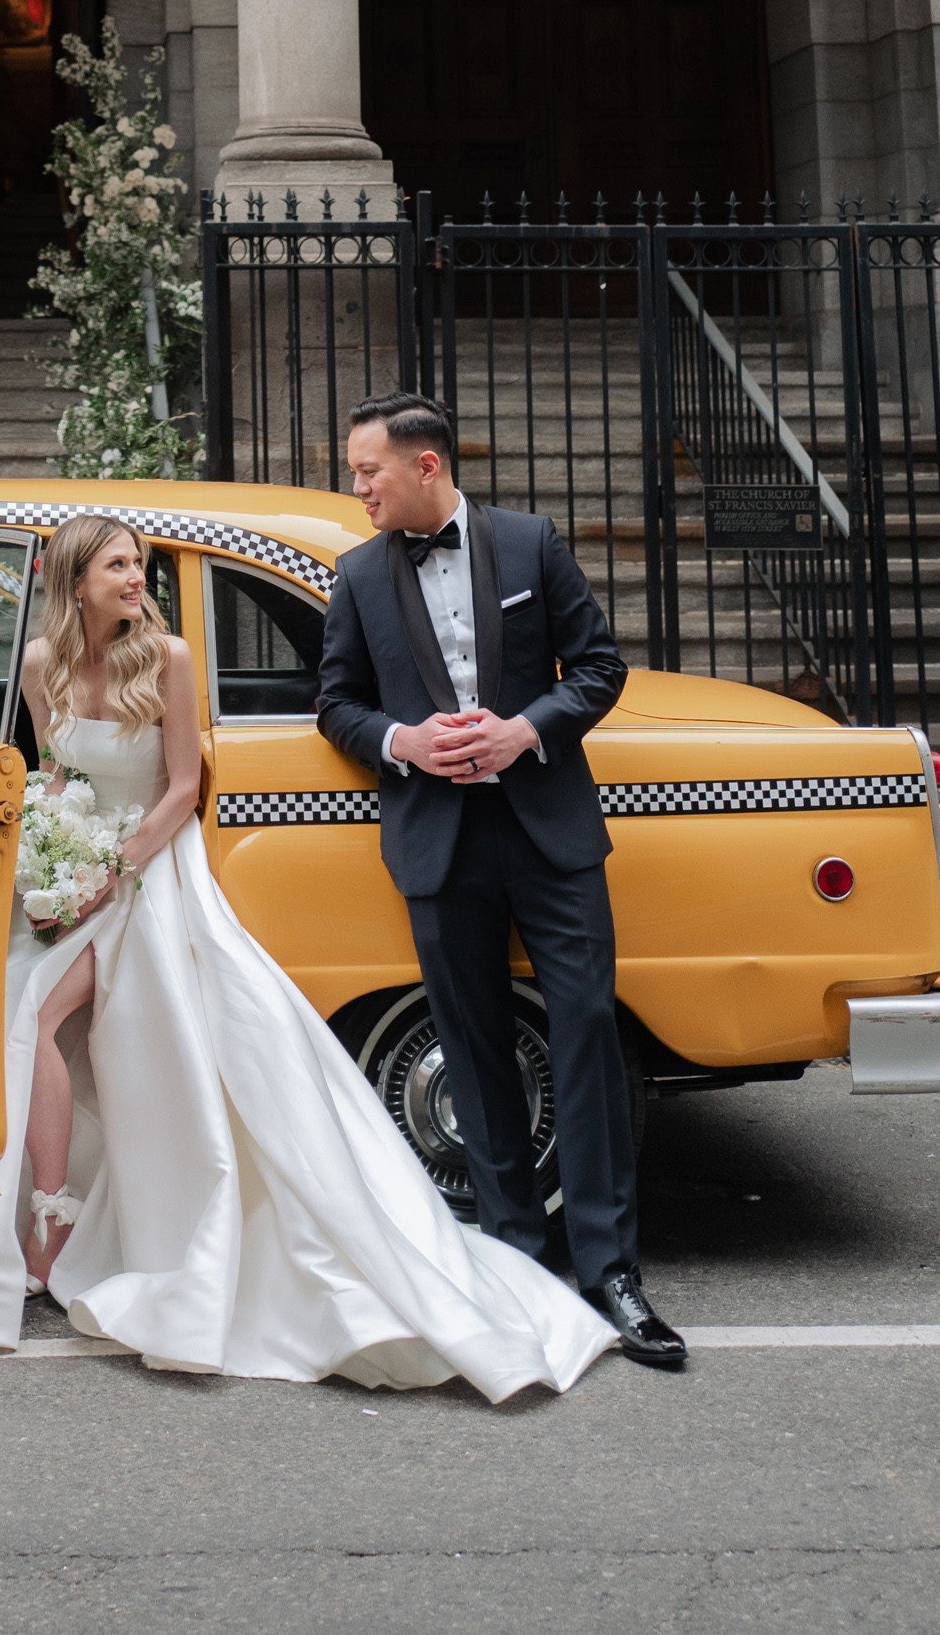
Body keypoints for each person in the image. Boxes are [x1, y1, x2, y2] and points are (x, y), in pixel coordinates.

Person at [0, 514, 615, 1397]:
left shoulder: (171, 659)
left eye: (138, 563)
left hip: (153, 870)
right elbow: (52, 775)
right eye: (117, 565)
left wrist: (110, 871)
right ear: (76, 581)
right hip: (76, 861)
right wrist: (46, 848)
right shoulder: (41, 664)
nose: (134, 577)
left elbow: (184, 788)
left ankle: (49, 1226)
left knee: (36, 1010)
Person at [314, 389, 687, 1373]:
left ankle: (612, 1273)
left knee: (585, 1037)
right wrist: (403, 742)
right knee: (474, 1051)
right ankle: (516, 1259)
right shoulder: (354, 576)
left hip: (547, 834)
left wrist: (527, 729)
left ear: (423, 466)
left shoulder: (529, 544)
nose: (356, 488)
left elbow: (597, 669)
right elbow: (335, 705)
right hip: (436, 841)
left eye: (367, 470)